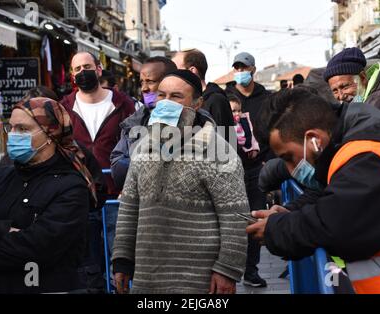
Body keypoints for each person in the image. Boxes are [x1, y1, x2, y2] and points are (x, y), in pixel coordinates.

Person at [246, 88, 380, 294]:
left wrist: (275, 230)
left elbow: (335, 223)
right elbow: (329, 194)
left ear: (314, 139)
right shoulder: (354, 146)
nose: (289, 170)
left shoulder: (369, 155)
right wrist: (291, 212)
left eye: (288, 157)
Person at [112, 70, 248, 294]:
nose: (166, 103)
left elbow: (235, 216)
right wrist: (122, 259)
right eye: (161, 95)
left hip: (199, 281)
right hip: (149, 278)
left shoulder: (218, 150)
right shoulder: (143, 149)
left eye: (176, 97)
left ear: (197, 104)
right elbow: (129, 207)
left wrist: (227, 270)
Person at [0, 97, 95, 293]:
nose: (13, 135)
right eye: (11, 128)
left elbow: (39, 247)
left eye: (22, 129)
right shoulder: (1, 176)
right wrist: (0, 229)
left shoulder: (71, 187)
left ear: (51, 133)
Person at [61, 51, 135, 292]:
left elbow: (138, 147)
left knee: (121, 261)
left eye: (87, 66)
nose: (83, 72)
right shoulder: (64, 107)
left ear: (99, 69)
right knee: (89, 264)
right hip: (82, 197)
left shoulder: (124, 104)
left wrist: (131, 185)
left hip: (118, 196)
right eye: (77, 69)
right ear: (72, 75)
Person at [225, 52, 273, 287]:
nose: (240, 71)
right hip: (229, 170)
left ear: (253, 69)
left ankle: (251, 271)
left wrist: (268, 160)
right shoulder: (226, 97)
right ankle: (230, 271)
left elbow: (274, 129)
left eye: (243, 67)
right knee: (232, 222)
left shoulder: (266, 97)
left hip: (256, 168)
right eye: (236, 68)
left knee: (254, 217)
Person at [110, 56, 177, 190]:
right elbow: (117, 165)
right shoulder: (133, 122)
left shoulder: (196, 120)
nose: (144, 88)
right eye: (142, 82)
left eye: (150, 81)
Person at [324, 47, 380, 120]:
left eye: (345, 87)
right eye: (335, 91)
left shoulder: (379, 102)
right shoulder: (362, 99)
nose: (341, 96)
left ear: (363, 78)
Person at [172, 49, 235, 139]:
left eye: (176, 70)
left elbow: (226, 141)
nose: (172, 75)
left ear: (192, 71)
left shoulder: (216, 100)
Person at [228, 93, 259, 159]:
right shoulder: (226, 125)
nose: (237, 113)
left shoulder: (245, 120)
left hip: (249, 153)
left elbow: (252, 134)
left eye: (239, 110)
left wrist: (255, 149)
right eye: (233, 111)